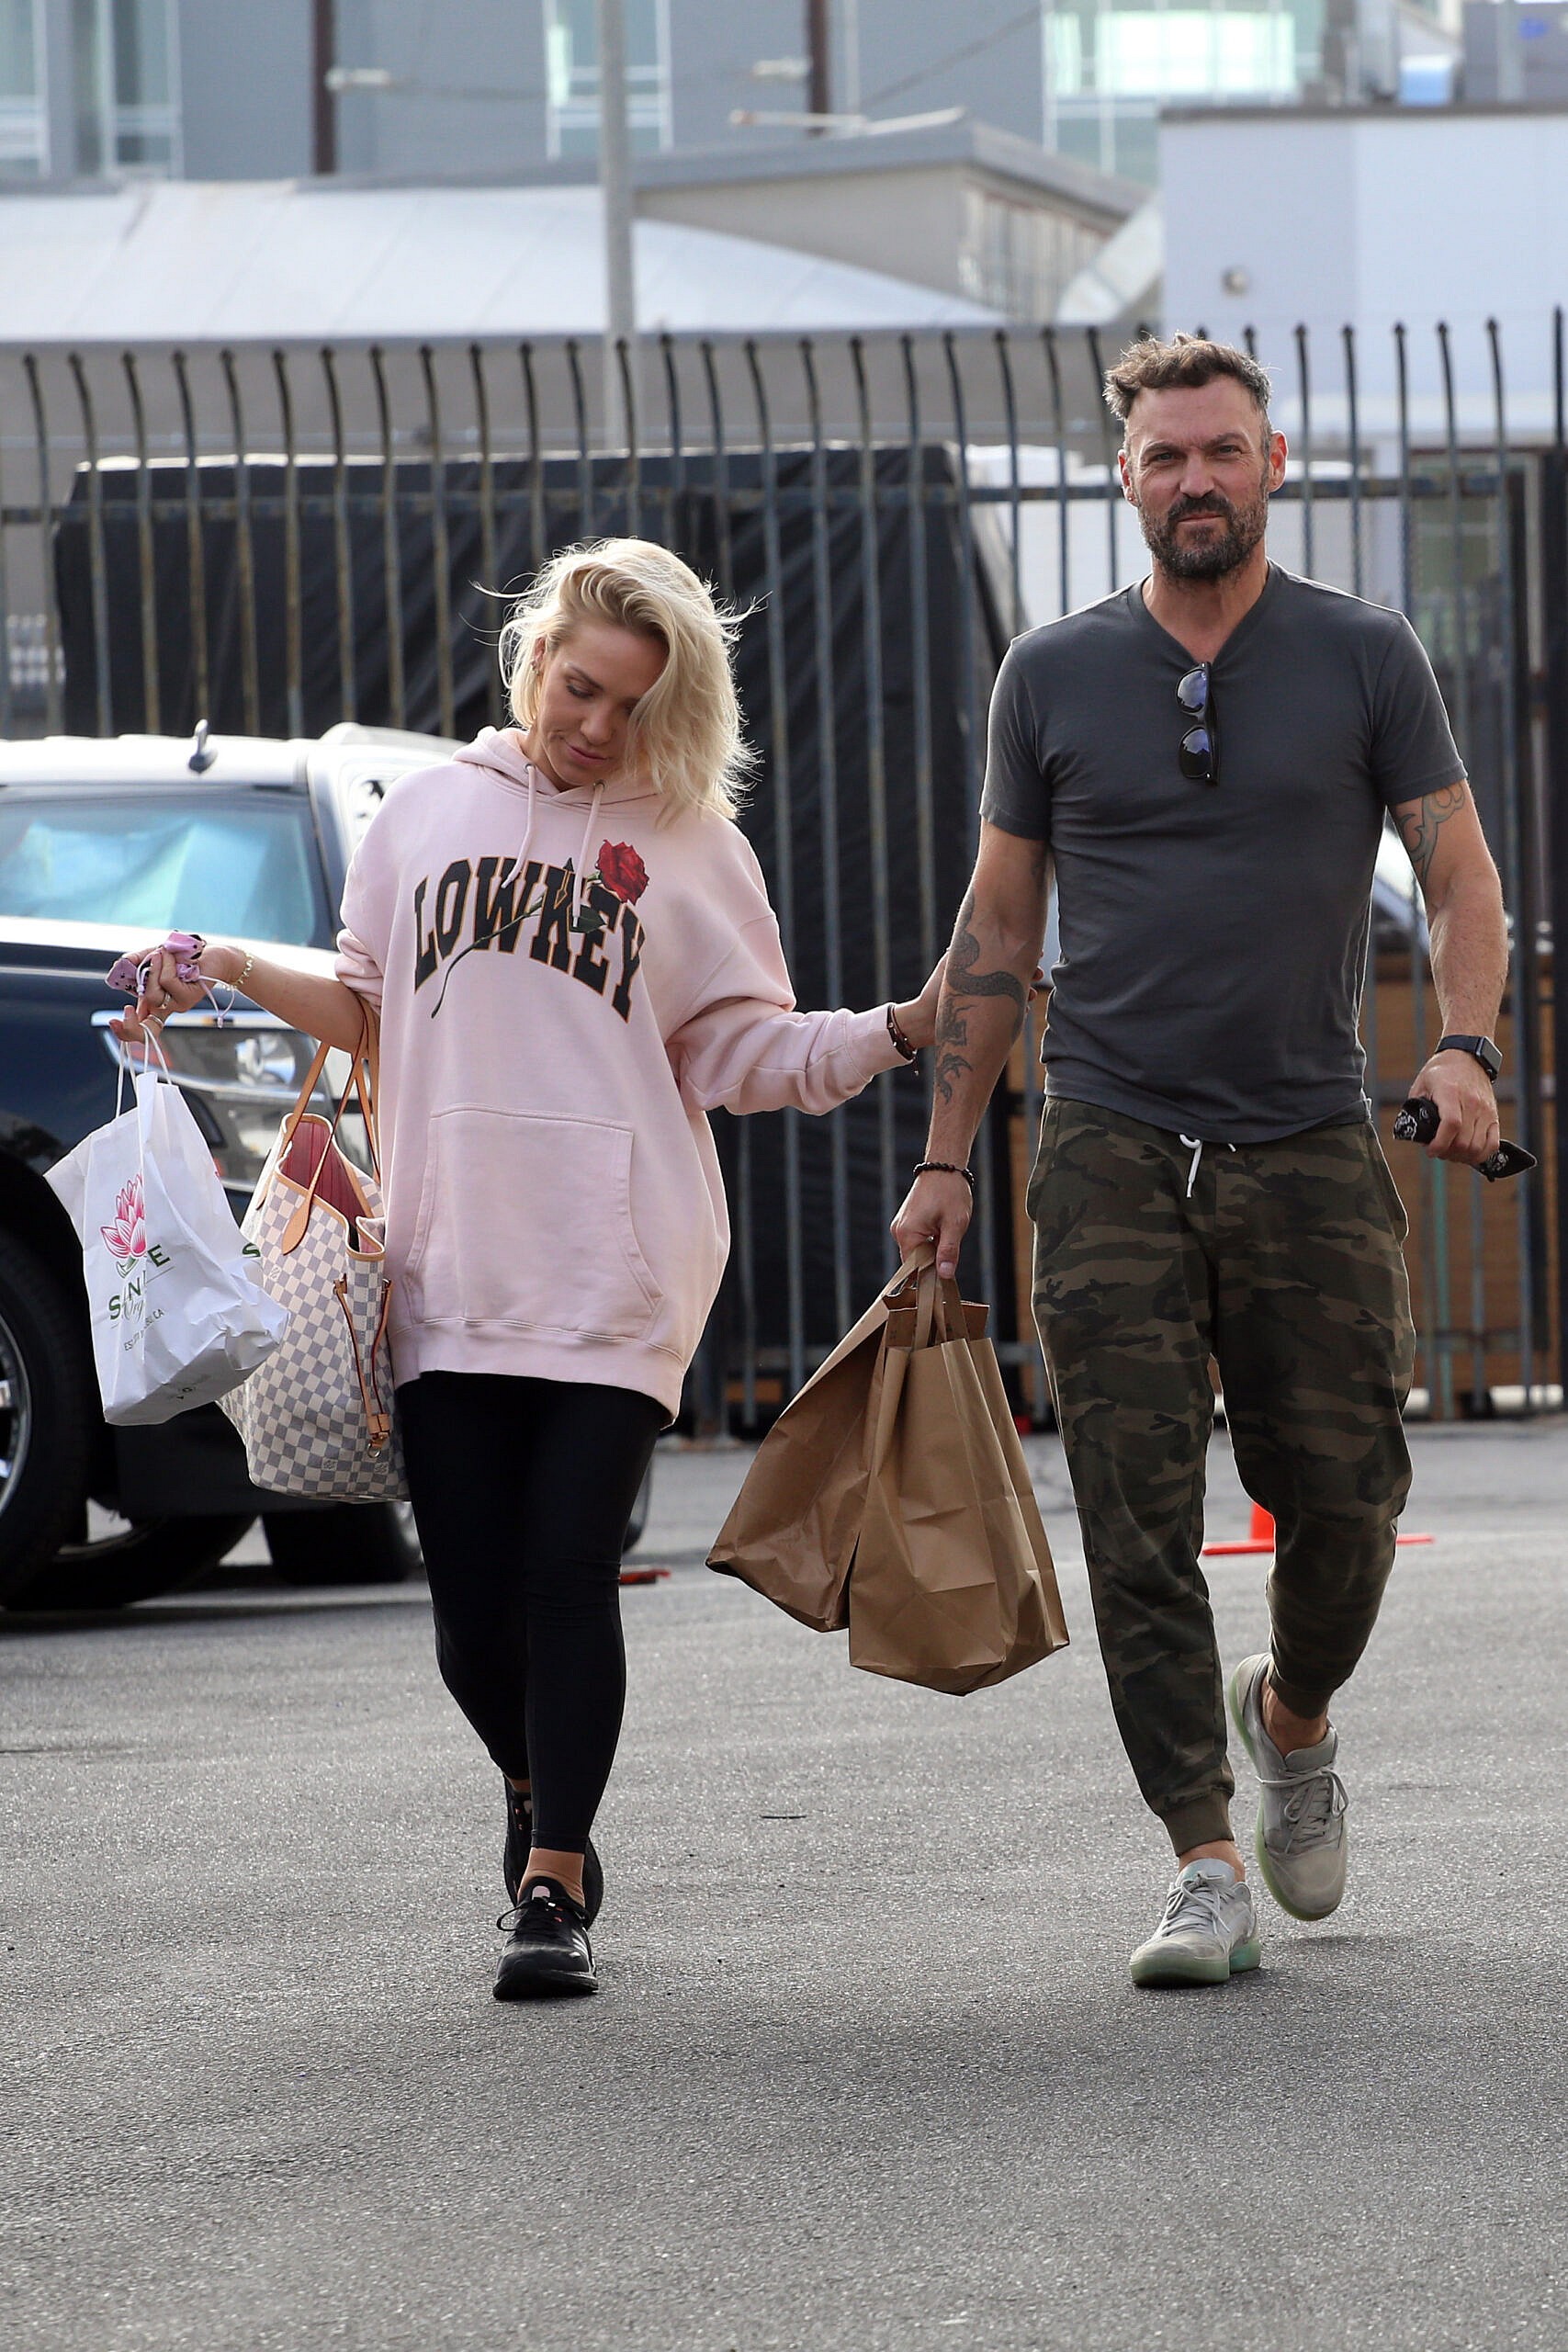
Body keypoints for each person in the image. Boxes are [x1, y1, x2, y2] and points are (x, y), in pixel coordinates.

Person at [117, 537, 941, 2002]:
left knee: (568, 1575)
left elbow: (745, 1048)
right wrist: (229, 964)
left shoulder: (693, 847)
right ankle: (535, 1781)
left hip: (618, 1274)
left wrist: (893, 1029)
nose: (599, 727)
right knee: (467, 1615)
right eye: (582, 689)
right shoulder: (426, 816)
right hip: (448, 1264)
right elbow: (368, 1006)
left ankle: (552, 1880)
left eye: (633, 706)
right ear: (538, 655)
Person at [893, 334, 1508, 1988]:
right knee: (1135, 1516)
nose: (1196, 482)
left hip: (1309, 1135)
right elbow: (1000, 925)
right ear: (1126, 480)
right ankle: (1204, 1858)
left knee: (1350, 1500)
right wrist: (950, 1157)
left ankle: (1290, 1716)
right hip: (1105, 1138)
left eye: (1222, 453)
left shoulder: (1367, 658)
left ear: (1274, 462)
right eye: (1166, 459)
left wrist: (1462, 1048)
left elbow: (1461, 879)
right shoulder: (1054, 675)